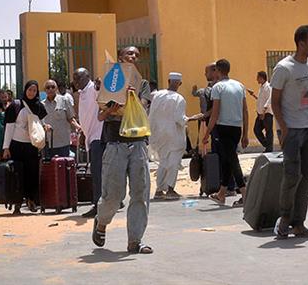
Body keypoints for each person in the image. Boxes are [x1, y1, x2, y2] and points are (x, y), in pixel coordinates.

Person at [92, 46, 154, 254]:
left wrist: (131, 98)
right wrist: (112, 106)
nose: (133, 57)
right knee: (113, 195)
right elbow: (101, 116)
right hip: (115, 144)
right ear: (120, 57)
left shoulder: (142, 84)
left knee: (140, 192)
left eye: (136, 55)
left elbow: (142, 108)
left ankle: (135, 240)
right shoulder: (111, 81)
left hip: (138, 143)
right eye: (130, 53)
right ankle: (101, 222)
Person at [271, 25, 308, 239]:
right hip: (291, 130)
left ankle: (299, 224)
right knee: (292, 175)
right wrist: (283, 128)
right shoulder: (284, 68)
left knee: (306, 178)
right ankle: (284, 219)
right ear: (300, 43)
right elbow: (274, 101)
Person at [203, 58, 248, 206]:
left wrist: (207, 133)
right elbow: (245, 111)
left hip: (223, 128)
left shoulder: (217, 88)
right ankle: (221, 193)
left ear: (217, 70)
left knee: (232, 160)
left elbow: (215, 114)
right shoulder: (239, 85)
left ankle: (245, 194)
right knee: (228, 160)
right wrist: (245, 133)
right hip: (236, 128)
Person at [149, 72, 196, 200]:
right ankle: (170, 189)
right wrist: (193, 118)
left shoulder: (157, 95)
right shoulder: (179, 99)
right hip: (174, 136)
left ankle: (159, 190)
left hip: (160, 135)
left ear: (168, 81)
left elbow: (152, 114)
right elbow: (180, 119)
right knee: (173, 162)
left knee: (163, 162)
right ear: (180, 83)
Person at [3, 80, 47, 214]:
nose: (31, 93)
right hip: (16, 145)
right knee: (17, 174)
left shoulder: (39, 106)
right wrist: (6, 147)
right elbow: (9, 127)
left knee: (32, 174)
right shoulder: (16, 106)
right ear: (25, 90)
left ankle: (31, 200)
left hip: (31, 146)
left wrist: (46, 127)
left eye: (34, 90)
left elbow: (42, 123)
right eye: (29, 90)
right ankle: (17, 203)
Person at [74, 68, 103, 219]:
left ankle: (98, 205)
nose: (76, 81)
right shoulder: (82, 92)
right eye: (74, 79)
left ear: (87, 77)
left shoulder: (92, 88)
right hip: (90, 137)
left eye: (79, 78)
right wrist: (83, 135)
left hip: (98, 136)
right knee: (99, 172)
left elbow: (100, 92)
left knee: (97, 173)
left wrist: (99, 86)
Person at [42, 79, 81, 158]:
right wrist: (44, 126)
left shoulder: (64, 100)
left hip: (63, 143)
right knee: (49, 165)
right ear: (45, 90)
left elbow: (71, 118)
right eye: (48, 87)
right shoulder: (42, 105)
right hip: (48, 143)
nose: (50, 89)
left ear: (56, 88)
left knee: (63, 164)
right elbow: (40, 122)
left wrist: (78, 127)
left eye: (53, 87)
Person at [248, 71, 274, 153]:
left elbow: (269, 99)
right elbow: (260, 100)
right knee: (257, 129)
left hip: (266, 113)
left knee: (268, 131)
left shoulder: (268, 87)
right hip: (260, 113)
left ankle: (269, 149)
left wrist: (264, 111)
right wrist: (253, 95)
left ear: (262, 78)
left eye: (258, 77)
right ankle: (267, 145)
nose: (257, 79)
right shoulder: (262, 88)